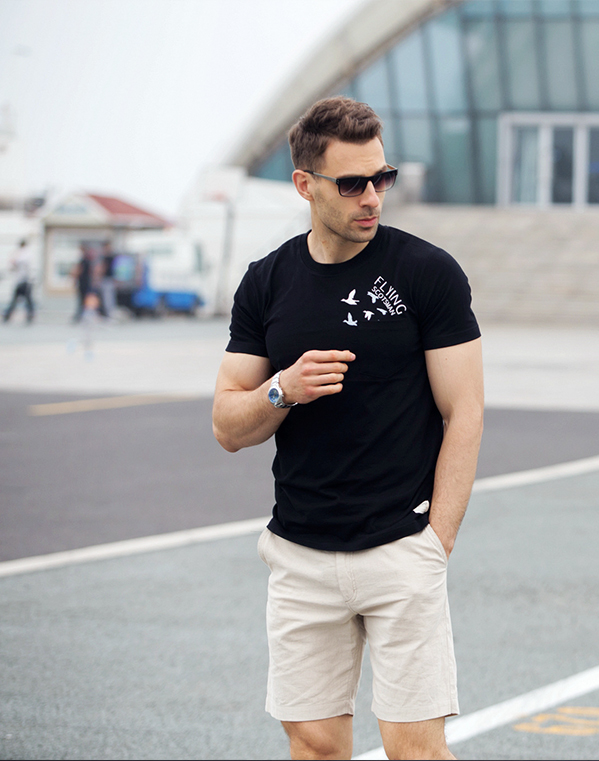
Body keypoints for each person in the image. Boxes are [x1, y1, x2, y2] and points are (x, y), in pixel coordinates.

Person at [212, 97, 484, 761]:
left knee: (415, 750)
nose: (372, 197)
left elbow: (465, 411)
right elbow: (227, 423)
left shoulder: (427, 272)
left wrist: (437, 540)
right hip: (299, 552)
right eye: (353, 183)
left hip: (401, 546)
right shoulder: (267, 281)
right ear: (305, 184)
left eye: (381, 178)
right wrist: (282, 388)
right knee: (315, 745)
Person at [3, 239, 34, 324]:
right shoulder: (21, 253)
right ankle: (8, 315)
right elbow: (13, 265)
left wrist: (14, 261)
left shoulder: (24, 253)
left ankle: (29, 314)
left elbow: (17, 262)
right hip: (21, 281)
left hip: (24, 281)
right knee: (20, 300)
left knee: (25, 300)